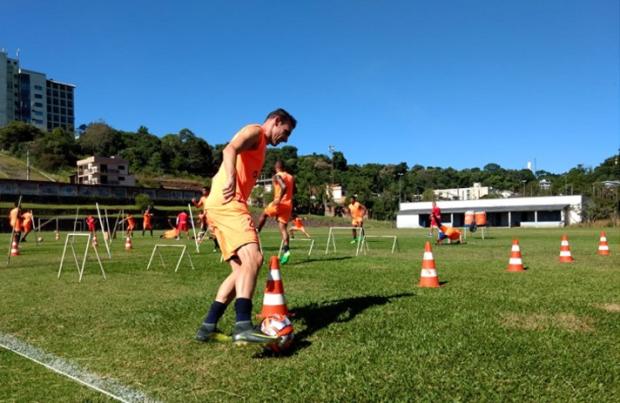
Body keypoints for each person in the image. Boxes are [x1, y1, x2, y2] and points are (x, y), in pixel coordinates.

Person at [195, 108, 296, 345]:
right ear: (276, 121)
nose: (286, 139)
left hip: (220, 207)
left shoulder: (261, 147)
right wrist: (230, 176)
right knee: (254, 259)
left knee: (242, 271)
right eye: (286, 132)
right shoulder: (255, 131)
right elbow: (229, 148)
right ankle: (243, 325)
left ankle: (208, 326)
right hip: (228, 204)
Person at [257, 160, 295, 264]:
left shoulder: (276, 176)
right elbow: (293, 190)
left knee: (264, 214)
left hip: (279, 203)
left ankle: (256, 232)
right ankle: (286, 250)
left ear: (276, 167)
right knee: (283, 229)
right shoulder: (291, 177)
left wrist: (279, 198)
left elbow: (283, 186)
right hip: (288, 205)